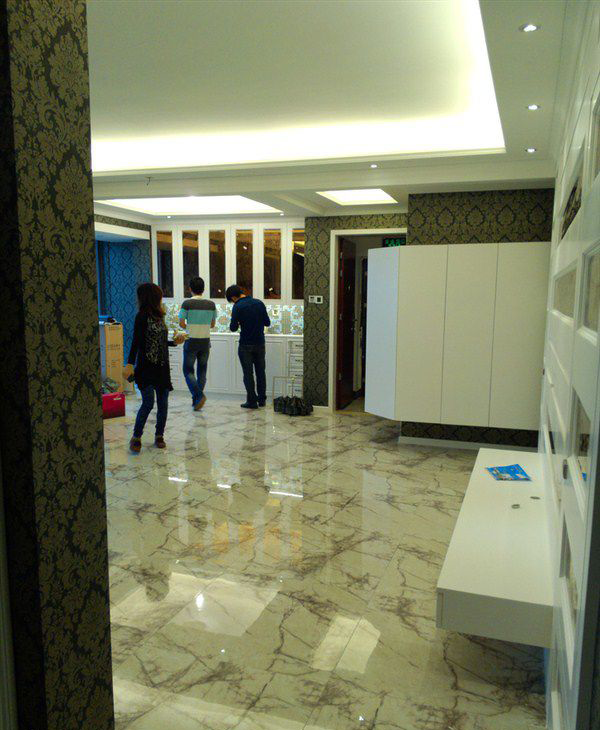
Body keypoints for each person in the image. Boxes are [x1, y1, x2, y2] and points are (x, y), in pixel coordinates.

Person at [123, 283, 184, 453]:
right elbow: (136, 342)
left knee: (163, 404)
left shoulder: (159, 316)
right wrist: (129, 363)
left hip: (162, 368)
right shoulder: (141, 317)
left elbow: (161, 342)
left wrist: (174, 342)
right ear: (153, 297)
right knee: (148, 403)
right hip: (146, 368)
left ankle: (159, 435)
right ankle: (136, 436)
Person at [226, 285, 271, 409]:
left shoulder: (237, 307)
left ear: (233, 297)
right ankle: (262, 400)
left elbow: (233, 328)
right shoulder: (259, 303)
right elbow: (267, 322)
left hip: (245, 344)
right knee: (260, 372)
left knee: (248, 374)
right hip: (260, 343)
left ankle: (252, 401)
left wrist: (239, 321)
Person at [178, 276, 216, 411]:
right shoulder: (211, 305)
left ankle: (198, 396)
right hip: (205, 341)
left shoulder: (187, 304)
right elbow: (212, 324)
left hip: (191, 341)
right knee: (202, 371)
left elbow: (181, 323)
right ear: (203, 289)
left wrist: (189, 328)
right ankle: (197, 400)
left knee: (188, 370)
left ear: (190, 289)